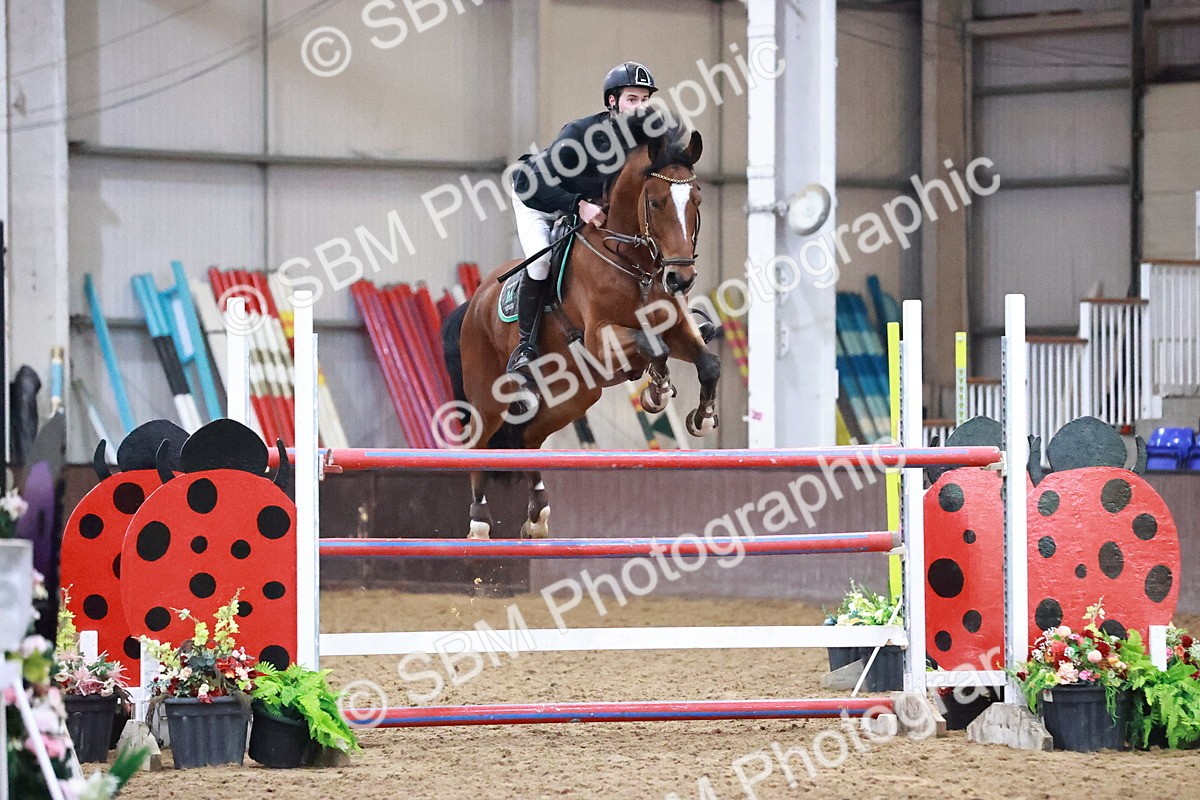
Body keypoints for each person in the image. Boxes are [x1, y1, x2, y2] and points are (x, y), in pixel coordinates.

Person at [506, 61, 658, 378]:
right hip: (536, 198)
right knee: (541, 262)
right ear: (612, 101)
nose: (640, 107)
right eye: (633, 99)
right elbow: (537, 185)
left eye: (645, 100)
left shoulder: (642, 143)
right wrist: (579, 206)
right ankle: (525, 347)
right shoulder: (581, 134)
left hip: (580, 206)